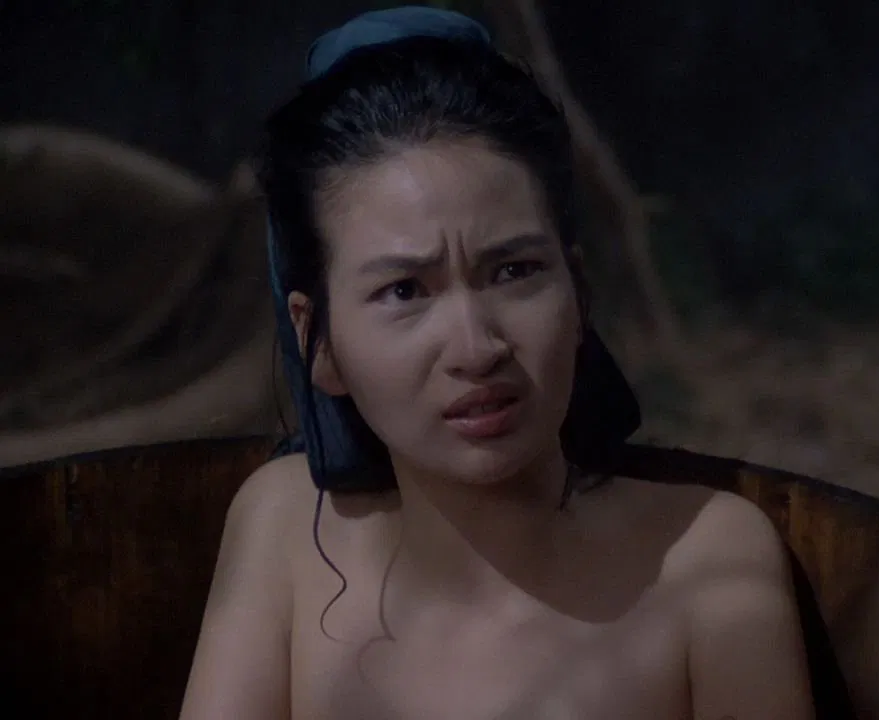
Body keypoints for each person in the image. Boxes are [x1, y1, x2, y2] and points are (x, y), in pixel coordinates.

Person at [180, 7, 840, 719]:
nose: (476, 349)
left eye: (514, 271)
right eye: (404, 291)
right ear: (321, 340)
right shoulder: (287, 530)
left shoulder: (706, 565)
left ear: (579, 291)